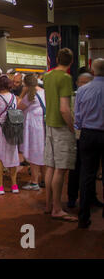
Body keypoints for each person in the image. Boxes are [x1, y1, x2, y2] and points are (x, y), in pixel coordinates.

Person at [43, 48, 77, 222]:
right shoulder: (65, 78)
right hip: (61, 127)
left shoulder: (47, 76)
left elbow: (49, 102)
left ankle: (49, 205)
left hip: (48, 124)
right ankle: (57, 208)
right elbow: (64, 108)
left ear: (57, 59)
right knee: (60, 168)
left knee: (50, 165)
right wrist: (72, 127)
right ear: (71, 62)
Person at [75, 59, 104, 228]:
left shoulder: (83, 91)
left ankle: (83, 215)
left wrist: (81, 126)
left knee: (86, 175)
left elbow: (77, 117)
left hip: (88, 134)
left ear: (92, 72)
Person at [68, 72, 102, 208]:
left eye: (86, 82)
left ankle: (90, 197)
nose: (82, 85)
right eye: (81, 82)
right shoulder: (73, 98)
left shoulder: (91, 95)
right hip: (78, 136)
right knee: (76, 169)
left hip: (87, 134)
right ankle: (72, 197)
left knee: (89, 170)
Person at [18, 74, 45, 191]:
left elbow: (19, 107)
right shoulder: (44, 92)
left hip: (33, 127)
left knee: (34, 154)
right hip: (43, 125)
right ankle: (44, 179)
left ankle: (34, 182)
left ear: (26, 84)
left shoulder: (29, 95)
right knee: (42, 153)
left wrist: (22, 93)